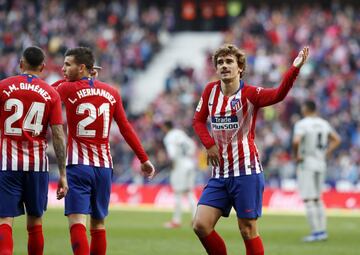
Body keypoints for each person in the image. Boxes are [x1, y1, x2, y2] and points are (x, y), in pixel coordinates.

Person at [192, 44, 309, 255]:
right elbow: (198, 121)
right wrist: (209, 144)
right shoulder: (210, 91)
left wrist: (294, 68)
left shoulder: (250, 94)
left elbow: (278, 95)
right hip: (219, 175)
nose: (224, 66)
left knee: (247, 230)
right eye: (220, 62)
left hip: (246, 172)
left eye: (229, 62)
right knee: (200, 225)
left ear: (240, 68)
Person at [52, 47, 155, 255]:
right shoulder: (112, 92)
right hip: (104, 168)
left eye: (68, 64)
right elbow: (125, 127)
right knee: (98, 225)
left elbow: (47, 93)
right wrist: (143, 158)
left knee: (77, 222)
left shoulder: (67, 89)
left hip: (78, 166)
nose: (63, 69)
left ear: (82, 68)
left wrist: (68, 81)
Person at [0, 46, 68, 255]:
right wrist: (63, 174)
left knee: (4, 220)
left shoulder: (3, 87)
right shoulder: (51, 93)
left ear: (21, 64)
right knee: (35, 220)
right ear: (43, 67)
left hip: (7, 163)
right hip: (37, 166)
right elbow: (57, 134)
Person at [292, 100, 341, 242]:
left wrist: (296, 156)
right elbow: (336, 139)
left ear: (306, 109)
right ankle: (322, 231)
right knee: (318, 198)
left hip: (306, 163)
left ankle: (316, 233)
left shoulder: (302, 124)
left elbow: (296, 141)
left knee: (309, 199)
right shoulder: (323, 123)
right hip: (320, 163)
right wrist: (327, 152)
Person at [161, 120, 197, 228]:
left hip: (179, 165)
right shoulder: (180, 133)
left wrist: (172, 164)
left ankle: (176, 221)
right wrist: (189, 156)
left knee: (178, 193)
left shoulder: (168, 137)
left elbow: (172, 154)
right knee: (190, 192)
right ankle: (196, 218)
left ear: (166, 127)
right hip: (189, 163)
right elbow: (192, 146)